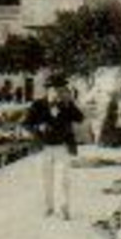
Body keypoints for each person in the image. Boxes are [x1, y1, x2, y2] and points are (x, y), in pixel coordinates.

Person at [24, 79, 84, 219]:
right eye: (54, 90)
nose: (57, 93)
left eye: (60, 90)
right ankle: (48, 207)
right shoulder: (37, 105)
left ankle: (63, 208)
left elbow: (80, 118)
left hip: (62, 147)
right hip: (43, 147)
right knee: (45, 179)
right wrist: (38, 127)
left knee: (63, 179)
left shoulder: (67, 104)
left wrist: (70, 103)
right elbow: (26, 124)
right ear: (48, 91)